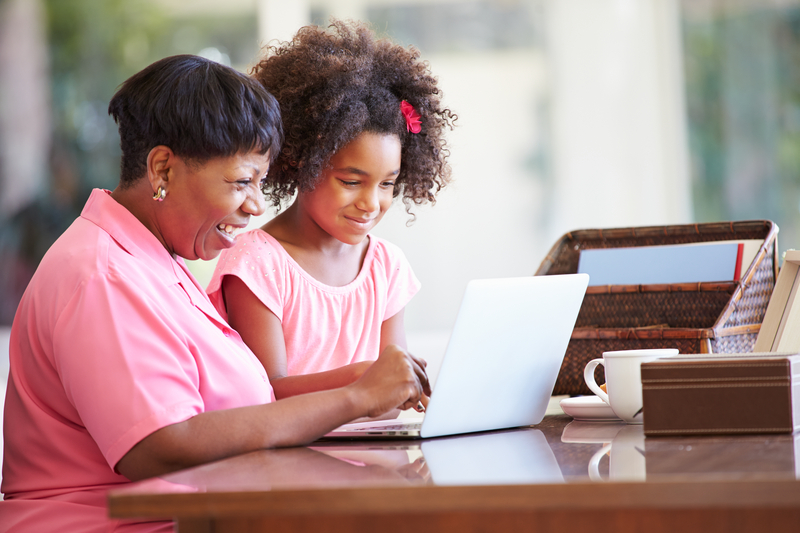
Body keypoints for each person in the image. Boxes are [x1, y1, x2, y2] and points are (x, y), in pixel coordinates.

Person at [0, 54, 430, 533]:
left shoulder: (159, 262)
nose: (256, 204)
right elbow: (161, 447)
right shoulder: (104, 274)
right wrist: (355, 398)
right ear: (162, 169)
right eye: (241, 181)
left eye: (261, 182)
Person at [206, 20, 455, 400]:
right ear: (300, 162)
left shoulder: (385, 267)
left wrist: (401, 385)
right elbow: (265, 396)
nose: (371, 203)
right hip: (289, 458)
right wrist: (363, 378)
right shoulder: (257, 265)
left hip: (375, 455)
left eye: (387, 184)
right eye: (351, 182)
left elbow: (389, 401)